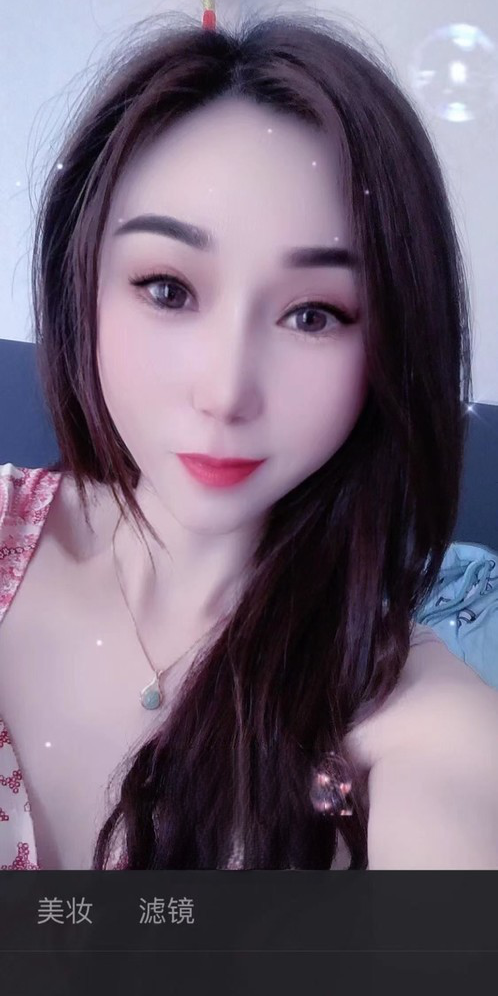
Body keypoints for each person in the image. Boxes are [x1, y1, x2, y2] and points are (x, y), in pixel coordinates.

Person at [1, 9, 497, 873]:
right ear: (84, 285)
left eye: (314, 314)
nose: (226, 391)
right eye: (168, 288)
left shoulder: (410, 716)